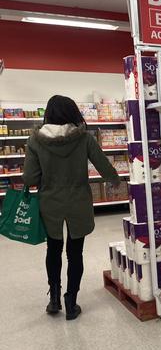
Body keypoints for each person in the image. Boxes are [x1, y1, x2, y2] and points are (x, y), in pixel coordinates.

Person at [23, 95, 120, 320]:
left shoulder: (35, 140)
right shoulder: (84, 138)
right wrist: (116, 181)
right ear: (72, 113)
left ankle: (54, 298)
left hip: (50, 203)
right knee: (75, 254)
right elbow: (104, 166)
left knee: (53, 250)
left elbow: (29, 178)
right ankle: (71, 302)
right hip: (78, 202)